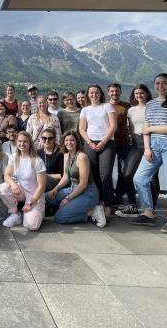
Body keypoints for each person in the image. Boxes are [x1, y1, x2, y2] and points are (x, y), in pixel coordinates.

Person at [132, 73, 167, 234]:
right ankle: (148, 213)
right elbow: (145, 130)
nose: (160, 86)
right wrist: (147, 148)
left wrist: (150, 129)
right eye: (157, 83)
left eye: (164, 83)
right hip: (154, 146)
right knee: (140, 178)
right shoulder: (150, 104)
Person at [46, 130, 106, 226]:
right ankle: (72, 208)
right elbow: (66, 177)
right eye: (66, 140)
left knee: (59, 217)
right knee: (47, 197)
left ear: (77, 142)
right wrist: (55, 189)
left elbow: (83, 184)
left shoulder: (82, 157)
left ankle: (91, 213)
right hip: (73, 189)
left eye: (72, 140)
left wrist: (67, 199)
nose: (69, 143)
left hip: (87, 192)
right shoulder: (66, 155)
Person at [116, 84, 159, 218]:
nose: (139, 95)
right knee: (127, 175)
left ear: (147, 94)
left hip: (151, 143)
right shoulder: (131, 110)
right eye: (136, 93)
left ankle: (150, 209)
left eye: (141, 93)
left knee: (152, 178)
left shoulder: (153, 107)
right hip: (135, 144)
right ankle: (133, 207)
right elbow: (130, 128)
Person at [78, 84, 117, 217]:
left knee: (105, 174)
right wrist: (89, 142)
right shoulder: (85, 110)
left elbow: (113, 126)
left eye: (96, 92)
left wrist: (103, 142)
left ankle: (108, 204)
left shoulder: (107, 106)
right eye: (91, 93)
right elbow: (82, 129)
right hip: (90, 143)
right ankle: (97, 201)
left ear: (101, 94)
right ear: (88, 95)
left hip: (107, 143)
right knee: (93, 175)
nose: (94, 95)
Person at [0, 131, 46, 230]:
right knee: (3, 188)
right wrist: (12, 184)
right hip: (22, 192)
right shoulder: (14, 157)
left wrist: (30, 203)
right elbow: (7, 175)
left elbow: (41, 186)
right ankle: (16, 214)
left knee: (31, 226)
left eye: (25, 141)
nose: (22, 144)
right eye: (19, 141)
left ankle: (38, 210)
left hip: (35, 196)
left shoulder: (37, 161)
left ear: (30, 143)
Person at [108, 83, 132, 206]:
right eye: (112, 91)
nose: (114, 93)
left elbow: (132, 123)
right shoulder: (105, 106)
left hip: (124, 143)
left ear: (120, 92)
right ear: (108, 93)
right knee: (107, 171)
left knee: (124, 171)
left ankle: (119, 195)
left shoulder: (126, 106)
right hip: (109, 143)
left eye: (116, 91)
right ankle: (109, 195)